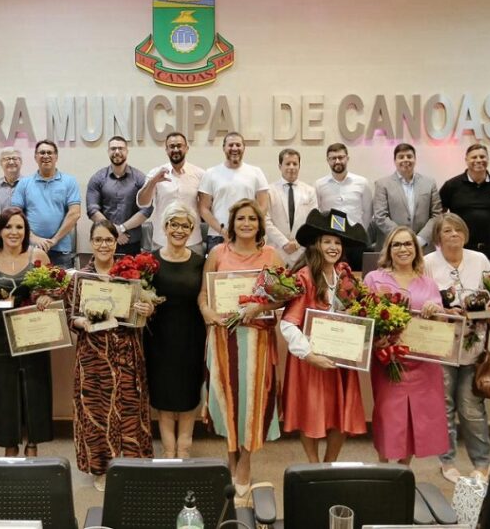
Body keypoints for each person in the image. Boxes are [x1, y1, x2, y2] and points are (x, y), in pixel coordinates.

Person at [198, 198, 285, 496]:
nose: (246, 223)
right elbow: (203, 296)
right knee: (227, 400)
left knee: (252, 402)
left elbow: (282, 298)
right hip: (223, 338)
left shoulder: (271, 256)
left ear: (260, 224)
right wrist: (208, 313)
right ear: (231, 223)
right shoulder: (217, 253)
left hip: (257, 339)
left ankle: (245, 459)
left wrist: (258, 308)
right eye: (240, 219)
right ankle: (230, 454)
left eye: (252, 219)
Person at [69, 220, 155, 491]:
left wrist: (148, 308)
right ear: (91, 243)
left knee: (129, 408)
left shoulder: (130, 274)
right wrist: (80, 323)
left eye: (109, 239)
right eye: (98, 240)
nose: (104, 245)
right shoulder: (80, 277)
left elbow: (147, 309)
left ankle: (131, 464)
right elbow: (71, 316)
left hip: (127, 352)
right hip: (93, 356)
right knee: (96, 411)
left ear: (116, 242)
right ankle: (101, 469)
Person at [279, 209, 367, 463]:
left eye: (337, 242)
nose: (333, 247)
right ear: (316, 245)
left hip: (342, 360)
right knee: (311, 414)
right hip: (311, 360)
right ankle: (313, 465)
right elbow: (289, 324)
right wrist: (309, 355)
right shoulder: (305, 276)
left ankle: (329, 464)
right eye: (327, 241)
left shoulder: (346, 275)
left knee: (342, 416)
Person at [363, 226, 448, 464]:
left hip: (422, 362)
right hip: (388, 358)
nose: (403, 249)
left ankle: (403, 469)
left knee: (415, 417)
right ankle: (383, 467)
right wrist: (377, 338)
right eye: (397, 244)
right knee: (389, 415)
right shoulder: (374, 279)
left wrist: (437, 311)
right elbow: (364, 316)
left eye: (408, 244)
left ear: (416, 249)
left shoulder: (428, 283)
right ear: (389, 249)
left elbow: (441, 322)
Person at [423, 213, 490, 482]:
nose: (453, 234)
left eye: (458, 230)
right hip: (441, 345)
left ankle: (481, 463)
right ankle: (447, 460)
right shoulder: (429, 263)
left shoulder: (479, 260)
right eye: (447, 231)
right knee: (443, 405)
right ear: (438, 237)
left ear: (465, 234)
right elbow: (424, 300)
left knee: (471, 406)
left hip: (473, 346)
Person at [0, 207, 54, 457]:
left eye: (19, 227)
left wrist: (45, 297)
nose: (14, 232)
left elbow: (53, 290)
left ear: (26, 231)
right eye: (8, 226)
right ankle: (10, 443)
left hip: (33, 329)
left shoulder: (38, 256)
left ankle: (33, 443)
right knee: (4, 388)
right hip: (0, 330)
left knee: (36, 385)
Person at [145, 202, 206, 458]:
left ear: (192, 229)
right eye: (174, 224)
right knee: (164, 392)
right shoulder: (150, 261)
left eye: (185, 225)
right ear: (165, 227)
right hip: (159, 337)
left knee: (189, 390)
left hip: (191, 335)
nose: (179, 230)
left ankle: (185, 444)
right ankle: (169, 449)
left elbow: (206, 298)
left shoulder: (200, 262)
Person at [11, 140, 81, 269]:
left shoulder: (69, 181)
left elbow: (75, 213)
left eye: (50, 152)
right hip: (31, 248)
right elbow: (15, 214)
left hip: (61, 250)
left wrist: (55, 239)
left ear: (56, 157)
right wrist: (33, 237)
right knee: (31, 288)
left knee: (62, 288)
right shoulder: (24, 183)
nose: (46, 156)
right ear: (35, 157)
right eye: (42, 152)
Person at [439, 144, 490, 268]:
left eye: (482, 157)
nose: (478, 160)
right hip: (461, 248)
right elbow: (440, 214)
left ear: (488, 159)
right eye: (474, 157)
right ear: (466, 160)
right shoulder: (452, 186)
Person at [198, 132, 270, 252]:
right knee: (217, 271)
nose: (234, 148)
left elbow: (263, 206)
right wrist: (223, 232)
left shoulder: (256, 172)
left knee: (249, 271)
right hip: (218, 236)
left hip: (249, 236)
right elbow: (203, 209)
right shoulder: (211, 173)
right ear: (224, 148)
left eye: (238, 145)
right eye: (231, 145)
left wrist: (249, 228)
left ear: (244, 148)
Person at [137, 131, 205, 254]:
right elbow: (142, 203)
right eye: (171, 146)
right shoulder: (155, 173)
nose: (175, 149)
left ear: (187, 148)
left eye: (179, 146)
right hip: (161, 241)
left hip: (192, 241)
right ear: (166, 150)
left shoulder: (200, 174)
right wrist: (153, 182)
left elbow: (205, 207)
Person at [86, 135, 151, 255]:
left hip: (132, 242)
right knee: (104, 274)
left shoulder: (140, 178)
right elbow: (92, 210)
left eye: (121, 148)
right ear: (108, 152)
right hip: (104, 243)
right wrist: (114, 231)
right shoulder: (97, 178)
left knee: (131, 273)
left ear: (127, 151)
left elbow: (146, 210)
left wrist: (122, 228)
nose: (117, 152)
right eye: (113, 148)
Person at [372, 143, 442, 252]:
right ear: (395, 161)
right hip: (393, 246)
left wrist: (420, 239)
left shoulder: (429, 183)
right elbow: (380, 216)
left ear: (415, 159)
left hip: (423, 247)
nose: (405, 160)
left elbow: (437, 215)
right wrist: (403, 238)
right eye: (401, 157)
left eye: (409, 156)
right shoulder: (382, 184)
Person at [265, 148, 318, 268]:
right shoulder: (269, 191)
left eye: (295, 164)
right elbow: (265, 221)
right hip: (276, 249)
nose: (291, 167)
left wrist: (297, 243)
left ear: (299, 166)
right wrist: (284, 243)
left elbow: (313, 222)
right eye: (287, 163)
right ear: (280, 166)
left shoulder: (309, 191)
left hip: (301, 251)